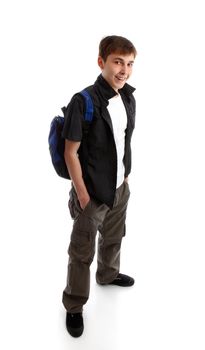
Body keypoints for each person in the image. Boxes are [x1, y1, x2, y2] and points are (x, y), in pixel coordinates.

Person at [61, 35, 137, 337]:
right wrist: (81, 193)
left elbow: (123, 141)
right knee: (81, 252)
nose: (124, 70)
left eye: (129, 63)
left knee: (115, 237)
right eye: (118, 62)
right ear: (101, 62)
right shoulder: (85, 101)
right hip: (91, 193)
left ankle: (107, 275)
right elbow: (70, 152)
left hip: (119, 187)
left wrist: (125, 176)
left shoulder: (128, 97)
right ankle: (74, 305)